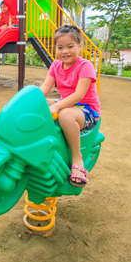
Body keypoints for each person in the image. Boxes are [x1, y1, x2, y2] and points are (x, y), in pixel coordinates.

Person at [39, 25, 100, 188]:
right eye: (60, 47)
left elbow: (79, 95)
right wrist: (33, 98)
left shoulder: (85, 66)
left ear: (80, 46)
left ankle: (76, 157)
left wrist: (57, 107)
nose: (65, 51)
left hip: (87, 110)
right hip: (65, 103)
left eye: (70, 46)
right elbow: (45, 87)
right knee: (38, 104)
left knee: (65, 114)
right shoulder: (56, 65)